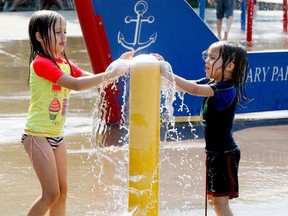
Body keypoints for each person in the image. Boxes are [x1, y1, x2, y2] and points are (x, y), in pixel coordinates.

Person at [21, 10, 134, 216]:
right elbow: (76, 84)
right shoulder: (41, 63)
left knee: (62, 192)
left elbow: (92, 78)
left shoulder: (63, 63)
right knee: (51, 194)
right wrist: (110, 73)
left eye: (65, 31)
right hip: (37, 136)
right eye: (57, 32)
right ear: (39, 36)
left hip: (57, 135)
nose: (64, 36)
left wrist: (119, 66)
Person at [157, 41, 250, 216]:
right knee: (213, 200)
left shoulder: (225, 89)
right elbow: (186, 84)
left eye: (213, 57)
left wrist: (166, 73)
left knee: (220, 203)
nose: (207, 60)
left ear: (230, 66)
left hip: (225, 154)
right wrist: (163, 71)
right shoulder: (212, 82)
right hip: (215, 153)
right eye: (206, 56)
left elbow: (193, 89)